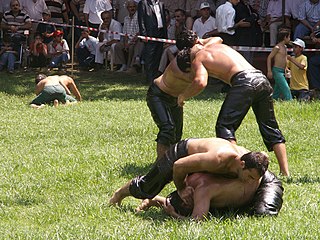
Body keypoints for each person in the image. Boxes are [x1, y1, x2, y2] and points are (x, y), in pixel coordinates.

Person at [176, 30, 290, 176]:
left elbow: (200, 82)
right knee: (270, 125)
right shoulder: (213, 44)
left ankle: (233, 168)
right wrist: (200, 41)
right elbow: (218, 38)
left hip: (244, 81)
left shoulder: (198, 58)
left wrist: (183, 96)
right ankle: (285, 172)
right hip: (261, 79)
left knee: (225, 126)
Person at [109, 137, 283, 218]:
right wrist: (181, 188)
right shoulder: (217, 159)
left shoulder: (249, 162)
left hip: (228, 167)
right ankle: (118, 194)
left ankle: (159, 201)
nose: (251, 181)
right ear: (242, 165)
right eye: (250, 177)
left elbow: (260, 159)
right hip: (182, 154)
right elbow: (179, 166)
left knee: (198, 200)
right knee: (147, 187)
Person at [146, 34, 223, 160]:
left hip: (175, 98)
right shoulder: (180, 68)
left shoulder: (196, 52)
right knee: (167, 129)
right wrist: (183, 96)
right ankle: (160, 165)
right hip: (158, 95)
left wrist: (203, 44)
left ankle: (171, 161)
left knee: (176, 134)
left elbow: (218, 39)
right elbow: (199, 82)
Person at [136, 169, 283, 220]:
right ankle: (155, 200)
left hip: (264, 180)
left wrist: (174, 214)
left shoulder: (201, 190)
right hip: (249, 176)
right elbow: (196, 216)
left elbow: (195, 221)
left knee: (263, 214)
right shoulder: (188, 182)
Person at [137, 0, 167, 84]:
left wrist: (165, 35)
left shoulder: (161, 4)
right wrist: (143, 34)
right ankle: (150, 79)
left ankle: (155, 78)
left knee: (158, 56)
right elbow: (141, 19)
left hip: (160, 32)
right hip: (150, 33)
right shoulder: (144, 3)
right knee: (150, 57)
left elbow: (164, 19)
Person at [113, 0, 144, 73]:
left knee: (131, 48)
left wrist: (130, 43)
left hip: (136, 40)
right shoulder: (126, 18)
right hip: (128, 40)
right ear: (127, 8)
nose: (132, 8)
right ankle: (122, 65)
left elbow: (140, 32)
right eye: (130, 7)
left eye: (134, 7)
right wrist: (126, 42)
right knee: (117, 46)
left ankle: (130, 66)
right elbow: (125, 33)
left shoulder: (139, 17)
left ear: (136, 7)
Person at [267, 29, 293, 101]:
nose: (289, 39)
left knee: (277, 89)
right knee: (285, 88)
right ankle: (290, 102)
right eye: (289, 37)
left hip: (283, 71)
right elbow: (269, 58)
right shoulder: (277, 48)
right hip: (277, 71)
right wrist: (269, 71)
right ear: (285, 37)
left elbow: (284, 59)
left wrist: (287, 69)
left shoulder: (285, 47)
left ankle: (272, 100)